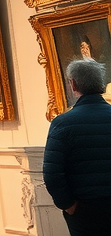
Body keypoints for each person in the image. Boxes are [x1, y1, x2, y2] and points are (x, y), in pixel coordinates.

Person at [43, 57, 111, 236]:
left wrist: (68, 205)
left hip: (85, 208)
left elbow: (52, 172)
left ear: (73, 84)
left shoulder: (63, 123)